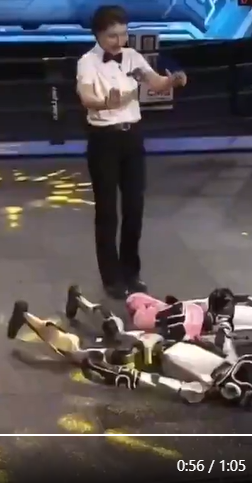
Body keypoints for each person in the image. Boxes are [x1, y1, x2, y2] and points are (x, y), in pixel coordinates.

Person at [76, 5, 187, 300]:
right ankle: (111, 277)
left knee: (134, 208)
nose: (119, 41)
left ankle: (131, 272)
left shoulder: (133, 57)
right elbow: (86, 97)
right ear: (98, 34)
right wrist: (105, 103)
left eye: (123, 34)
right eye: (112, 36)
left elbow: (156, 82)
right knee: (107, 212)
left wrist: (172, 80)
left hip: (132, 138)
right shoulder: (87, 62)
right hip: (104, 139)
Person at [6, 286, 252, 406]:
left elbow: (158, 382)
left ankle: (43, 312)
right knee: (105, 336)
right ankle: (62, 306)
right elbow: (158, 382)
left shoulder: (202, 387)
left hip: (149, 352)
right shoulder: (217, 372)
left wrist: (117, 373)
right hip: (154, 347)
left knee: (91, 346)